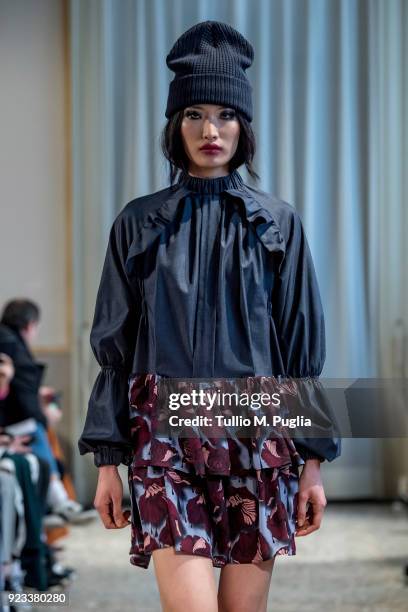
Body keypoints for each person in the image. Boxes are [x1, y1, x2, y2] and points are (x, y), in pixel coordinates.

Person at [78, 20, 341, 612]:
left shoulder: (279, 224)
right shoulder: (138, 223)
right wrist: (108, 464)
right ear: (176, 125)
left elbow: (301, 353)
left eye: (224, 114)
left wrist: (313, 465)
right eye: (194, 113)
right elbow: (114, 348)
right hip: (164, 442)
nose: (210, 129)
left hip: (257, 437)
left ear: (243, 126)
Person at [0, 299, 95, 524]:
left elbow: (12, 391)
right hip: (14, 424)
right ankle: (58, 502)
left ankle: (56, 505)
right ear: (31, 324)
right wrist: (44, 417)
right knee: (35, 433)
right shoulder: (11, 345)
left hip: (10, 425)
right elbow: (21, 399)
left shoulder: (7, 340)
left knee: (39, 453)